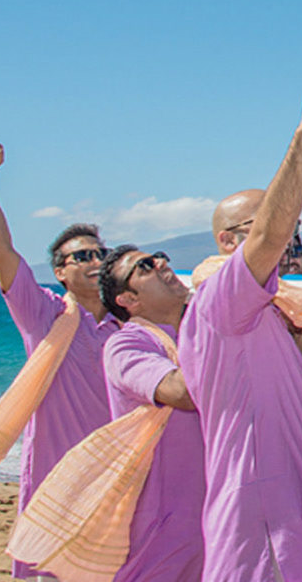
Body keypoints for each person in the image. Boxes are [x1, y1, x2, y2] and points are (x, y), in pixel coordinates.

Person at [178, 85, 302, 582]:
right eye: (280, 224)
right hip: (261, 533)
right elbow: (269, 237)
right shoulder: (223, 303)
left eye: (298, 230)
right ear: (226, 241)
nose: (289, 240)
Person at [0, 143, 119, 579]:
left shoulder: (131, 325)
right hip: (55, 480)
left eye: (101, 254)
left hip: (117, 478)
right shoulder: (44, 315)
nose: (96, 261)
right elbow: (0, 251)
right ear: (60, 272)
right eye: (83, 256)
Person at [98, 246, 204, 582]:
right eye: (145, 266)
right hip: (160, 525)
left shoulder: (192, 332)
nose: (161, 264)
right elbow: (181, 392)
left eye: (159, 257)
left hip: (211, 518)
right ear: (128, 300)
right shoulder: (126, 345)